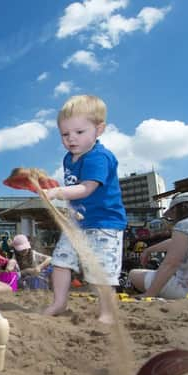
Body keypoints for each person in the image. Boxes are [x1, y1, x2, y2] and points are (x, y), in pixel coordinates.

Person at [43, 94, 127, 323]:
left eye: (79, 132)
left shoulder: (99, 157)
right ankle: (59, 302)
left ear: (99, 130)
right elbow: (73, 190)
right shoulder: (69, 159)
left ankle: (108, 313)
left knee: (101, 272)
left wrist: (58, 192)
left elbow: (87, 188)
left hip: (104, 223)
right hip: (77, 223)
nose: (71, 139)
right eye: (65, 134)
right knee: (60, 261)